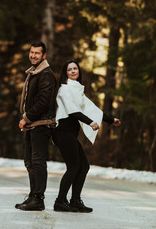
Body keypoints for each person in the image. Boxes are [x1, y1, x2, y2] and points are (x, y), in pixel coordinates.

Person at [52, 60, 121, 213]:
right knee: (73, 167)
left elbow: (91, 108)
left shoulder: (77, 90)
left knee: (83, 166)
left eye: (75, 68)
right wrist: (90, 122)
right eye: (69, 69)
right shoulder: (64, 90)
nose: (73, 71)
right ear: (65, 73)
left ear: (79, 71)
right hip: (62, 133)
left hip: (70, 134)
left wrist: (111, 120)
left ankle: (75, 201)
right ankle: (60, 202)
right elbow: (72, 111)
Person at [15, 42, 57, 211]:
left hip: (41, 124)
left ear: (44, 55)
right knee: (29, 161)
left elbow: (44, 102)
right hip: (33, 124)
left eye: (37, 53)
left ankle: (38, 199)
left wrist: (26, 117)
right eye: (31, 52)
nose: (33, 55)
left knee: (38, 161)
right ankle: (33, 196)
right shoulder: (35, 72)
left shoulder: (45, 74)